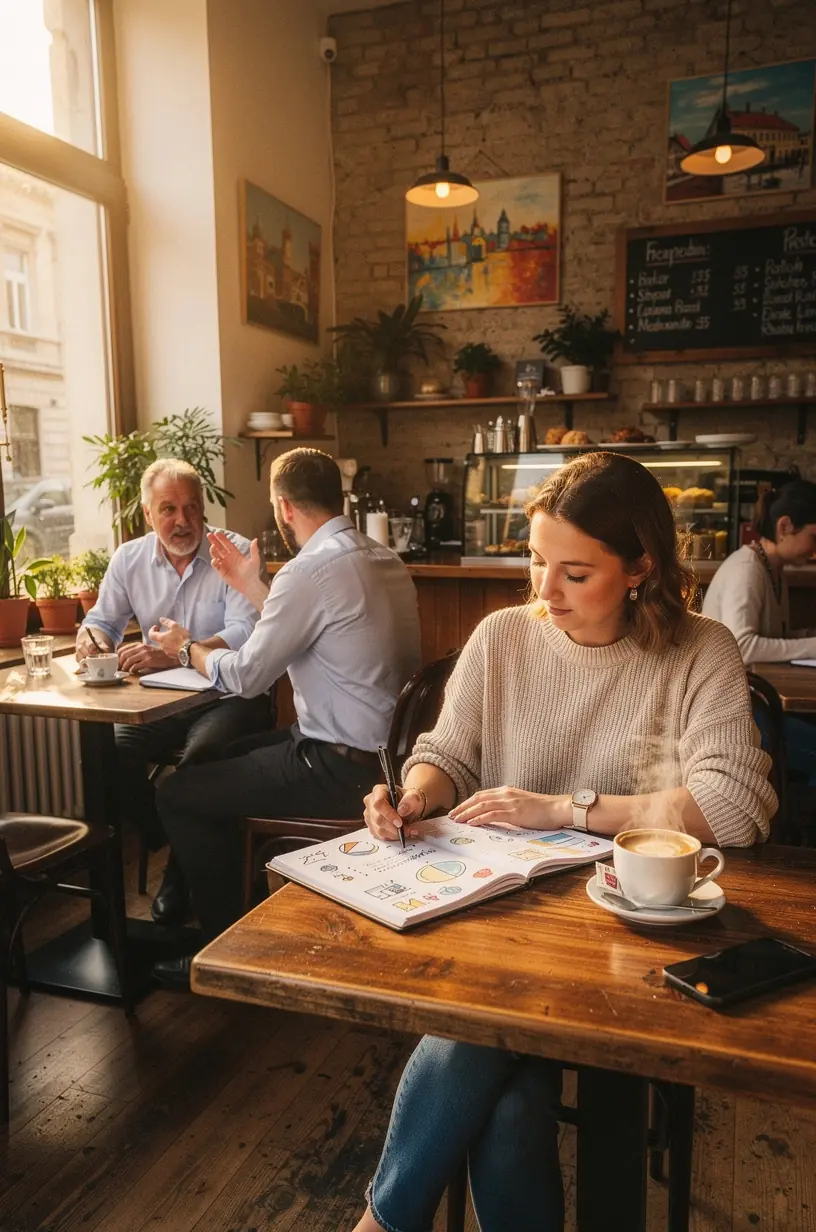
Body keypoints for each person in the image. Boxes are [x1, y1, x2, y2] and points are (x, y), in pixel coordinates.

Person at [355, 451, 776, 1232]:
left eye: (575, 573)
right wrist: (413, 798)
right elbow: (447, 756)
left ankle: (381, 1224)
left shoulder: (701, 649)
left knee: (482, 1039)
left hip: (631, 943)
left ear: (641, 567)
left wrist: (567, 808)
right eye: (536, 561)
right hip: (508, 921)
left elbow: (735, 805)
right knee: (511, 1104)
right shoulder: (503, 637)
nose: (545, 593)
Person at [150, 448, 421, 989]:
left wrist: (186, 649)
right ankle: (239, 915)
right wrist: (251, 585)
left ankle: (228, 953)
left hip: (341, 771)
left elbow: (248, 675)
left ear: (282, 506)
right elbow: (311, 627)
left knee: (176, 794)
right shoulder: (380, 555)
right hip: (383, 759)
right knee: (219, 757)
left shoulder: (309, 570)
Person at [77, 458, 268, 926]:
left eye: (190, 508)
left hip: (229, 696)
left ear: (203, 509)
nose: (182, 521)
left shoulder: (233, 551)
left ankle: (177, 877)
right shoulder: (129, 559)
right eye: (168, 509)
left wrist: (183, 652)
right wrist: (92, 638)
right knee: (111, 754)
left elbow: (248, 630)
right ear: (147, 514)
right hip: (160, 702)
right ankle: (171, 844)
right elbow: (102, 620)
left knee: (201, 760)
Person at [703, 478, 816, 780]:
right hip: (733, 715)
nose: (815, 549)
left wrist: (806, 637)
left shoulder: (774, 569)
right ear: (785, 526)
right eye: (813, 536)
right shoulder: (747, 568)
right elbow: (743, 645)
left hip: (758, 702)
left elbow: (774, 638)